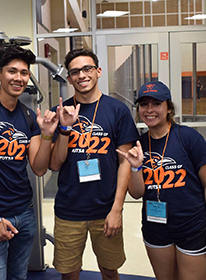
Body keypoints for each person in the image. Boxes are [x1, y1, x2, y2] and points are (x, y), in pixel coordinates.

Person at [0, 45, 58, 280]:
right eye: (12, 71)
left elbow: (38, 168)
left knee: (18, 276)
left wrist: (46, 134)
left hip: (24, 212)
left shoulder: (27, 116)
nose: (19, 78)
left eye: (24, 73)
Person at [49, 48, 139, 280]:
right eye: (75, 71)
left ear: (98, 71)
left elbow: (125, 162)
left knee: (110, 271)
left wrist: (117, 209)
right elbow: (55, 164)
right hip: (69, 209)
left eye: (87, 68)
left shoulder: (117, 110)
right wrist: (65, 128)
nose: (82, 75)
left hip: (105, 209)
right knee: (69, 274)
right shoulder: (60, 111)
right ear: (69, 78)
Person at [117, 81, 206, 280]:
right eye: (144, 104)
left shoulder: (189, 138)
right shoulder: (138, 145)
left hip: (192, 227)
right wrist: (135, 166)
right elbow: (137, 193)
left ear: (168, 108)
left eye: (156, 103)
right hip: (156, 228)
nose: (149, 110)